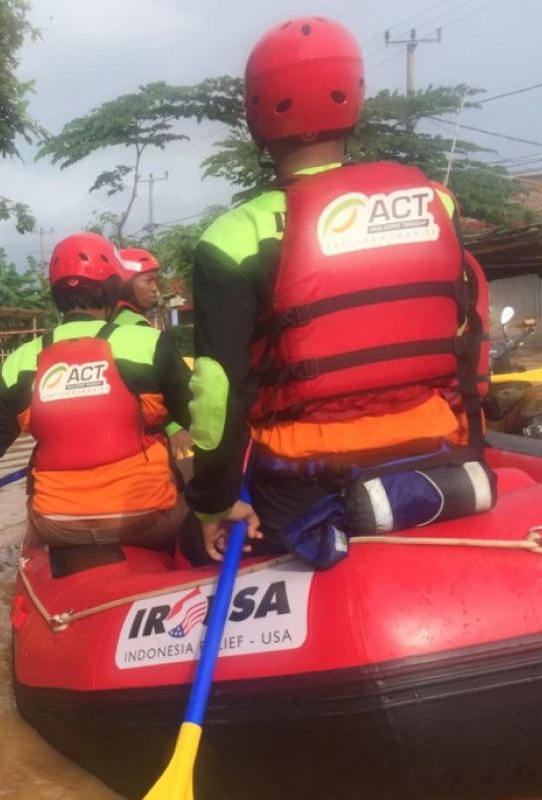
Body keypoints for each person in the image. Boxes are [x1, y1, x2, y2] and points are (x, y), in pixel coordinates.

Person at [187, 17, 489, 562]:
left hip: (306, 487)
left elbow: (217, 390)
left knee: (192, 543)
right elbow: (467, 347)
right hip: (434, 460)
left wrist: (213, 501)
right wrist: (474, 451)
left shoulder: (233, 237)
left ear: (255, 118)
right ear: (354, 102)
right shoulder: (436, 205)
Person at [0, 233, 224, 552]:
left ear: (55, 295)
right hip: (145, 519)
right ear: (113, 289)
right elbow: (204, 420)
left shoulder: (22, 360)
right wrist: (220, 497)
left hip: (56, 525)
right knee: (191, 487)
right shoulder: (147, 344)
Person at [115, 248, 194, 460]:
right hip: (143, 443)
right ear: (126, 283)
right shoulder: (136, 329)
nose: (156, 290)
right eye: (148, 281)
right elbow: (163, 388)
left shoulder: (108, 323)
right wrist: (175, 426)